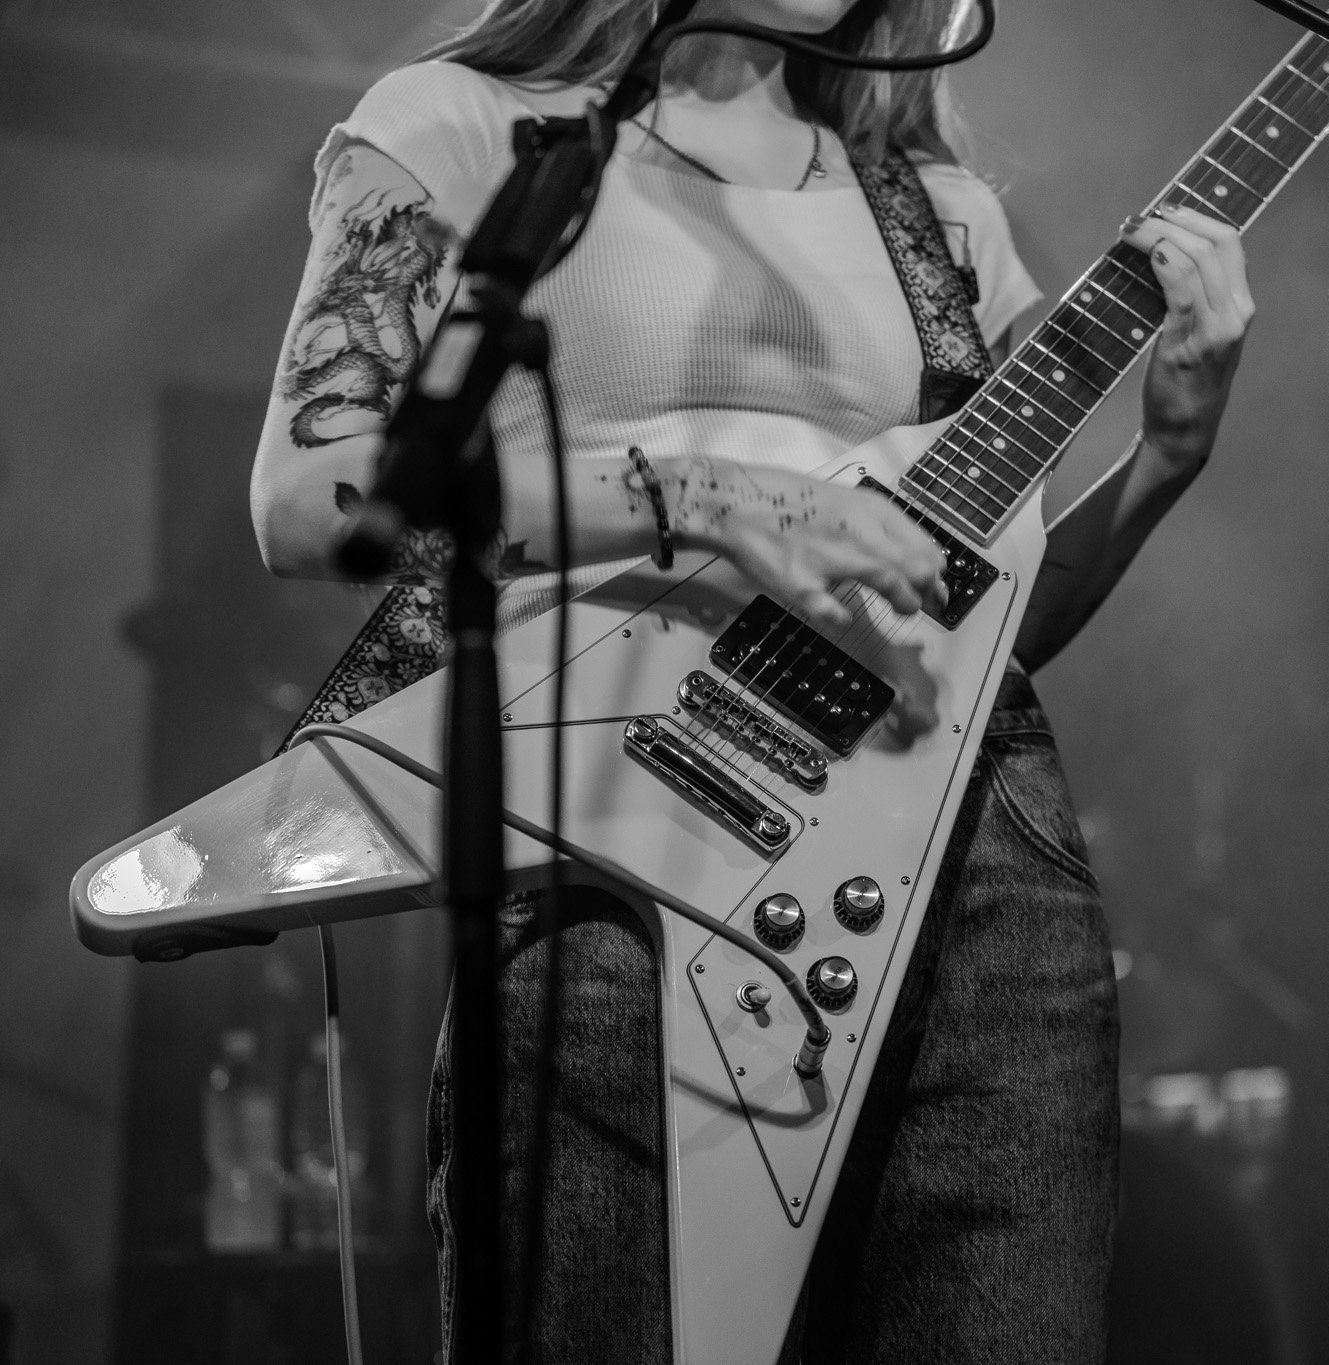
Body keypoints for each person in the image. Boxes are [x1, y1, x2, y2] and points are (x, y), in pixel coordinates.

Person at [250, 0, 1254, 1359]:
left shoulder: (943, 214)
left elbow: (993, 629)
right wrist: (717, 497)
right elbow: (310, 500)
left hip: (979, 868)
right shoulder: (467, 125)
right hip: (627, 847)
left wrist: (1167, 458)